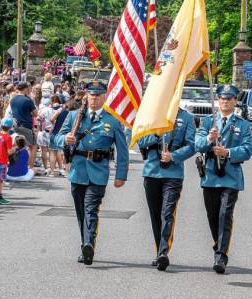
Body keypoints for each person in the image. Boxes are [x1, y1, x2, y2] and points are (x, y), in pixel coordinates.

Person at [55, 81, 129, 266]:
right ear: (86, 97)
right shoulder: (74, 117)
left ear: (104, 97)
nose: (94, 98)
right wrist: (65, 138)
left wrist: (121, 175)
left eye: (98, 95)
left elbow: (122, 149)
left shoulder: (112, 120)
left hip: (98, 171)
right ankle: (84, 244)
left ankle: (89, 244)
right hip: (78, 171)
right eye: (91, 95)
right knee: (81, 211)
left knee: (91, 209)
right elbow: (55, 137)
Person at [194, 85, 252, 274]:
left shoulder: (242, 124)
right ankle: (218, 246)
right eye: (222, 98)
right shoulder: (207, 122)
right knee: (213, 216)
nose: (225, 101)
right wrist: (209, 139)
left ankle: (221, 255)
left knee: (224, 215)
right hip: (211, 175)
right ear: (217, 100)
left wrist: (228, 152)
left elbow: (247, 150)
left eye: (229, 98)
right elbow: (197, 145)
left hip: (230, 176)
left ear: (235, 101)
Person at [137, 108, 196, 271]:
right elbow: (140, 141)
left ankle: (163, 252)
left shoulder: (186, 117)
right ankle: (159, 250)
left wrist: (174, 156)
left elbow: (192, 145)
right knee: (155, 214)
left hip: (173, 172)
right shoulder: (151, 113)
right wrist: (156, 134)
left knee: (167, 212)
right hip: (152, 171)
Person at [10, 82, 39, 173]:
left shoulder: (13, 99)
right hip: (26, 126)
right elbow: (36, 114)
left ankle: (16, 165)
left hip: (15, 125)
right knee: (33, 146)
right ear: (25, 89)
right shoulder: (27, 100)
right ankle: (30, 167)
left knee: (18, 146)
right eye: (29, 88)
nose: (30, 89)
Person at [0, 118, 14, 205]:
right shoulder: (8, 137)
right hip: (2, 160)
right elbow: (9, 151)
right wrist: (15, 148)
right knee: (0, 180)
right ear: (10, 127)